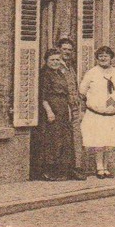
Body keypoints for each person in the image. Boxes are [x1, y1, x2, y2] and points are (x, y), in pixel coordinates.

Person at [33, 45, 84, 180]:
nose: (55, 62)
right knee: (52, 141)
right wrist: (49, 112)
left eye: (57, 60)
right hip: (51, 111)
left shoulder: (60, 73)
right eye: (52, 60)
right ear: (46, 61)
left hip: (62, 109)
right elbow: (42, 97)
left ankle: (63, 171)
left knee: (64, 139)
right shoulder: (45, 74)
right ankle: (49, 171)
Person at [79, 45, 115, 179]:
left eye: (106, 56)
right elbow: (82, 91)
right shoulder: (92, 73)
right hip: (96, 115)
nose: (103, 58)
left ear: (111, 58)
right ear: (97, 59)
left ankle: (106, 167)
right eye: (100, 56)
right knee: (98, 141)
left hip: (112, 115)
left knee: (108, 142)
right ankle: (99, 168)